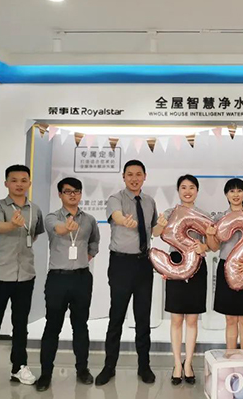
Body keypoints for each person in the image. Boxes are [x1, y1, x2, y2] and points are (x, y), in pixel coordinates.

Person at [0, 165, 45, 399]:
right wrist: (12, 225)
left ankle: (18, 367)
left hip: (26, 276)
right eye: (14, 180)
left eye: (24, 180)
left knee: (20, 325)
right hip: (0, 276)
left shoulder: (35, 209)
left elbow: (35, 234)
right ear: (6, 183)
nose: (19, 184)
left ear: (29, 183)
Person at [96, 160, 158, 386]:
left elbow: (154, 229)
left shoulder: (150, 201)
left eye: (138, 174)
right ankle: (109, 366)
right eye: (130, 174)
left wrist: (166, 224)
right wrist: (125, 221)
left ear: (145, 176)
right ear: (123, 177)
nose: (134, 178)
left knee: (143, 319)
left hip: (144, 264)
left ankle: (144, 366)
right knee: (116, 318)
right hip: (121, 264)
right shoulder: (116, 198)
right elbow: (117, 216)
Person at [152, 175, 218, 385]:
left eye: (191, 187)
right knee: (176, 319)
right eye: (183, 187)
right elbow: (156, 233)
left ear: (197, 191)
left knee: (191, 319)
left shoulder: (204, 215)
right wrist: (160, 225)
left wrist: (204, 245)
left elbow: (213, 245)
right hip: (175, 264)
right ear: (178, 191)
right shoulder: (170, 213)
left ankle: (188, 363)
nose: (187, 191)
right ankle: (177, 364)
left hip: (197, 266)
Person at [36, 177, 100, 392]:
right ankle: (46, 373)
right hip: (58, 278)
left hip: (81, 278)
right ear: (60, 194)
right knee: (52, 326)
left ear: (81, 194)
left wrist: (85, 257)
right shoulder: (52, 217)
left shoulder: (89, 219)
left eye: (76, 191)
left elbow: (94, 242)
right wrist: (67, 227)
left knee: (80, 326)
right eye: (68, 191)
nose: (73, 195)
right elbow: (58, 230)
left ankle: (82, 369)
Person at [213, 178, 243, 353]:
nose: (236, 194)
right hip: (226, 270)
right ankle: (231, 358)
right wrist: (211, 235)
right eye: (232, 191)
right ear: (226, 195)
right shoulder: (219, 218)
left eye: (239, 191)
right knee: (230, 319)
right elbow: (214, 246)